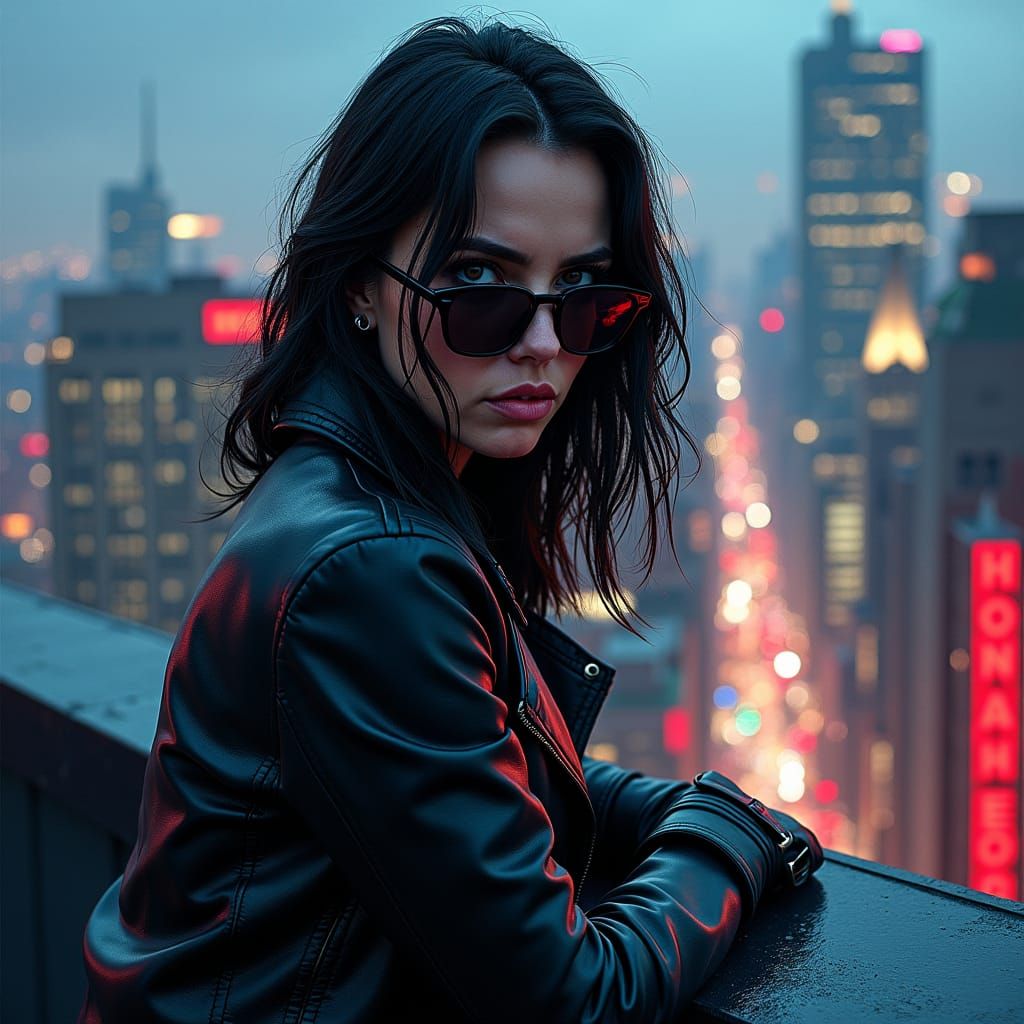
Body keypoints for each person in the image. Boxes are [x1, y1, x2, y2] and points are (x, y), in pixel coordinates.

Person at [78, 16, 823, 1023]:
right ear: (356, 288)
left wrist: (674, 807)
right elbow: (572, 998)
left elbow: (454, 758)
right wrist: (724, 843)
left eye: (580, 295)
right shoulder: (372, 566)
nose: (542, 345)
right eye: (479, 285)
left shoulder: (358, 490)